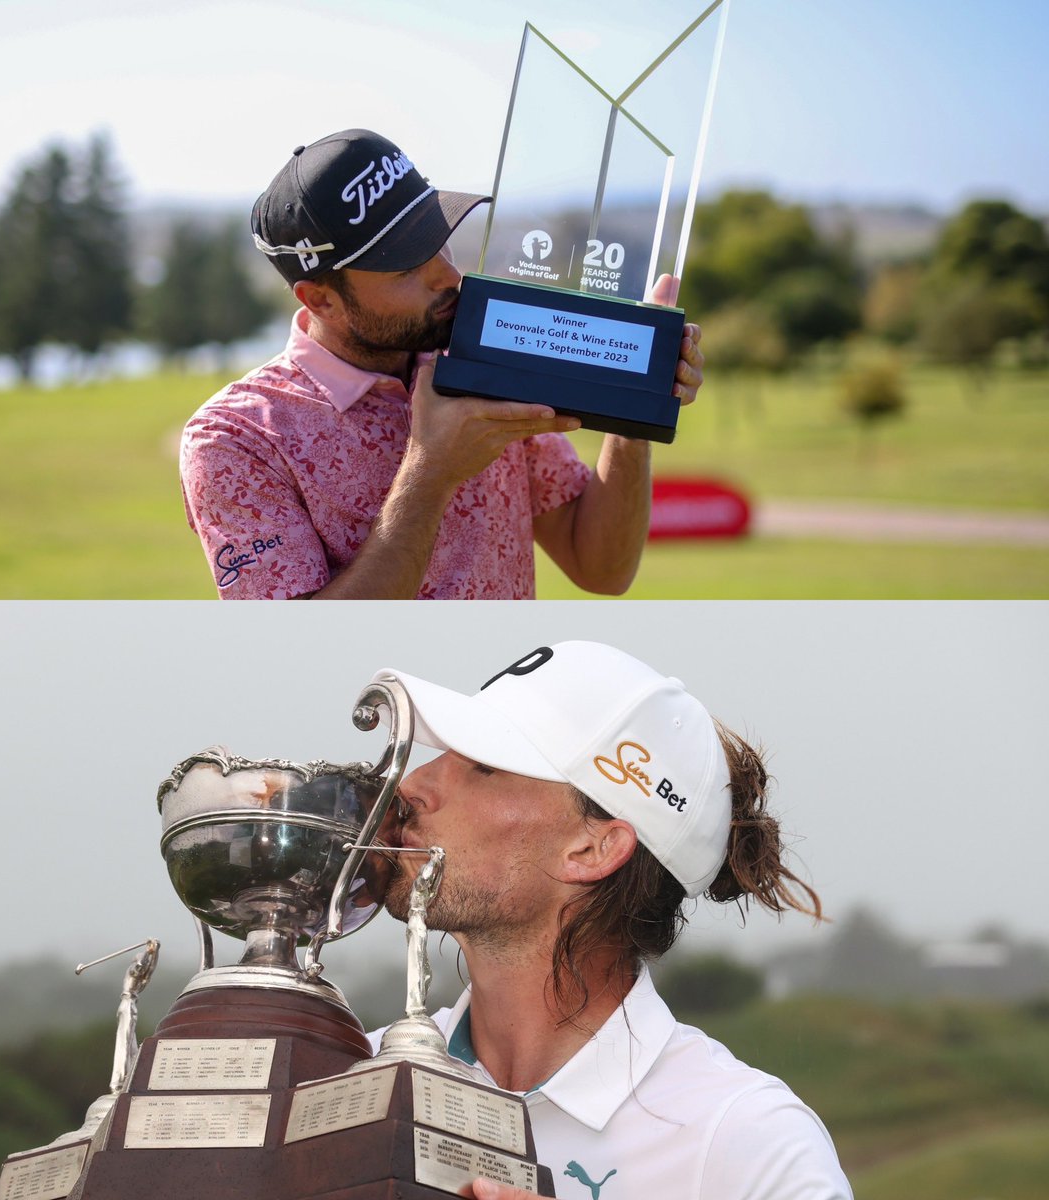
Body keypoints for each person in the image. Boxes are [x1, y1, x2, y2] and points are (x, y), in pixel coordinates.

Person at [369, 641, 853, 1200]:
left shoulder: (750, 1141)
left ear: (593, 848)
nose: (412, 786)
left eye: (484, 766)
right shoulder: (353, 1068)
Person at [179, 130, 705, 599]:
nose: (450, 276)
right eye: (406, 266)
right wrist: (431, 473)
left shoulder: (481, 353)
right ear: (321, 299)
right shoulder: (234, 439)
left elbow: (601, 569)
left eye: (438, 241)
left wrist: (636, 404)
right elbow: (301, 654)